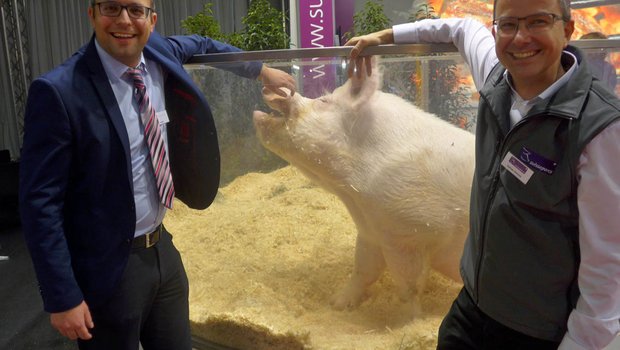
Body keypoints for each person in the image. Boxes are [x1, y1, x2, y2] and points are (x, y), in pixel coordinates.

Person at [18, 1, 296, 349]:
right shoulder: (59, 91)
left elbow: (205, 45)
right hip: (108, 266)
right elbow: (39, 203)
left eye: (135, 10)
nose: (124, 21)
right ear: (91, 14)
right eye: (111, 8)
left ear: (151, 20)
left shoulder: (160, 51)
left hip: (162, 250)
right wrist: (61, 297)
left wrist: (261, 71)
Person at [345, 0, 620, 348]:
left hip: (536, 327)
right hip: (473, 303)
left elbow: (608, 264)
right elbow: (460, 28)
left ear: (567, 30)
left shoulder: (601, 128)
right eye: (508, 25)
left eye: (538, 22)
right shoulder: (496, 77)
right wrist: (385, 35)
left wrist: (580, 343)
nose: (520, 38)